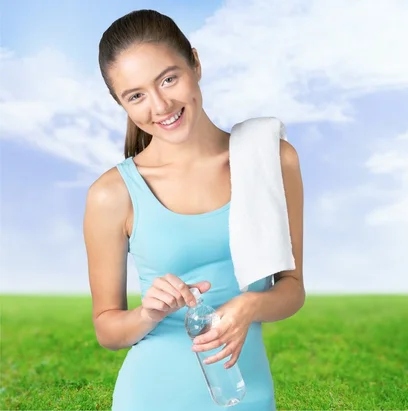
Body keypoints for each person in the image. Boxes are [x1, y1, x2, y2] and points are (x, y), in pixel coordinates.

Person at [83, 9, 305, 411]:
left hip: (245, 392)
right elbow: (108, 329)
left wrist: (249, 305)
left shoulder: (271, 160)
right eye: (136, 96)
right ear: (121, 104)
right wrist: (148, 313)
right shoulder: (112, 194)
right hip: (150, 396)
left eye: (169, 79)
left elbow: (292, 289)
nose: (160, 105)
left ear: (196, 64)